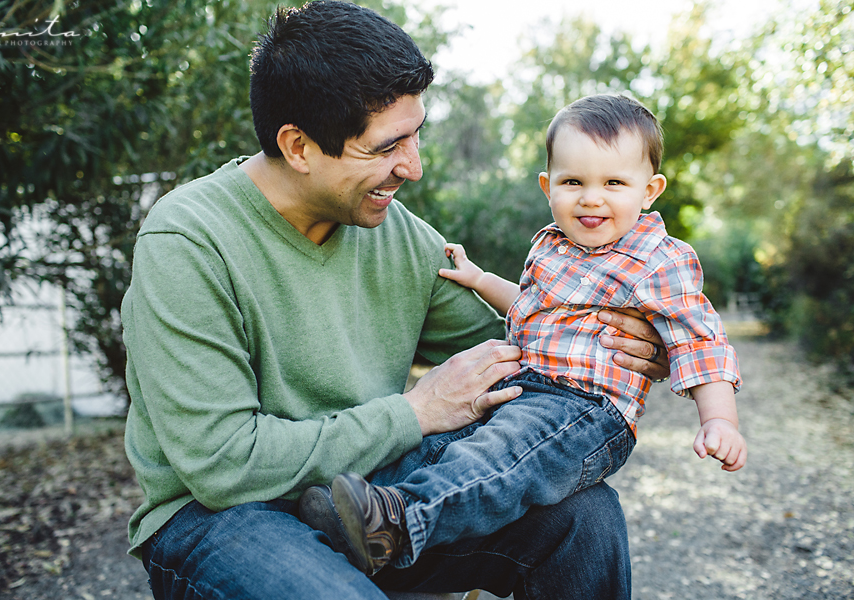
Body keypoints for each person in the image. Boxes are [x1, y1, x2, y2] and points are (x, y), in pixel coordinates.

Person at [121, 3, 668, 599]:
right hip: (220, 517)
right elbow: (222, 463)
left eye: (416, 134)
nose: (414, 166)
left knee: (585, 518)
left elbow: (527, 353)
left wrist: (629, 340)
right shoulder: (190, 239)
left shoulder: (402, 237)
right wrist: (415, 413)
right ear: (298, 146)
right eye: (386, 147)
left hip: (365, 500)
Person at [313, 94, 746, 578]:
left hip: (585, 409)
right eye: (573, 181)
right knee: (446, 443)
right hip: (525, 386)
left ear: (650, 190)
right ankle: (349, 507)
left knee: (499, 460)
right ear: (548, 185)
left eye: (614, 183)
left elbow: (699, 341)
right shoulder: (551, 245)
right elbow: (528, 308)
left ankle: (400, 525)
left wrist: (719, 420)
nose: (591, 197)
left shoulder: (660, 258)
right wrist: (480, 280)